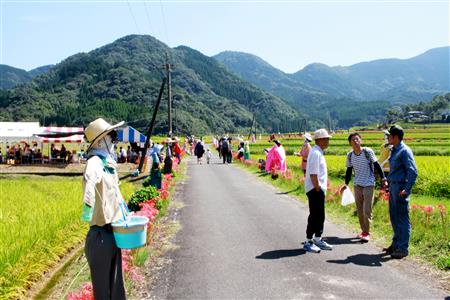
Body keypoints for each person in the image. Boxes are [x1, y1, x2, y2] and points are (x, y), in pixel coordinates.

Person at [81, 117, 126, 300]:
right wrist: (87, 206)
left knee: (116, 287)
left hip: (113, 233)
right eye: (110, 137)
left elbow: (115, 192)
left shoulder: (107, 163)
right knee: (102, 291)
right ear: (100, 141)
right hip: (100, 236)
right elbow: (89, 180)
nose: (113, 141)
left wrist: (126, 213)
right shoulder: (95, 162)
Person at [340, 132, 387, 242]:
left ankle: (367, 232)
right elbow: (349, 170)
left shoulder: (367, 152)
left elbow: (376, 165)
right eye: (353, 140)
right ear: (350, 143)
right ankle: (363, 231)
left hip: (369, 183)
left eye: (357, 139)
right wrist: (346, 184)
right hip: (357, 184)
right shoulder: (350, 155)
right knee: (360, 210)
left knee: (367, 209)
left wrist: (383, 179)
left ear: (360, 140)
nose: (356, 141)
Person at [384, 125, 418, 259]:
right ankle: (396, 244)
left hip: (400, 188)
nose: (387, 137)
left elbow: (413, 171)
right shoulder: (394, 149)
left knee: (402, 218)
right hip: (393, 186)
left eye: (389, 135)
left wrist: (407, 189)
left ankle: (403, 248)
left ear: (395, 137)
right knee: (394, 217)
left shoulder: (405, 151)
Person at [303, 129, 333, 253]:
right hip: (315, 189)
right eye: (326, 139)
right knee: (315, 215)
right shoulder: (315, 153)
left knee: (320, 215)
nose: (328, 141)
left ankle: (318, 238)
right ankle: (308, 241)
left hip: (318, 189)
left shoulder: (318, 152)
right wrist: (318, 189)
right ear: (320, 140)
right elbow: (313, 174)